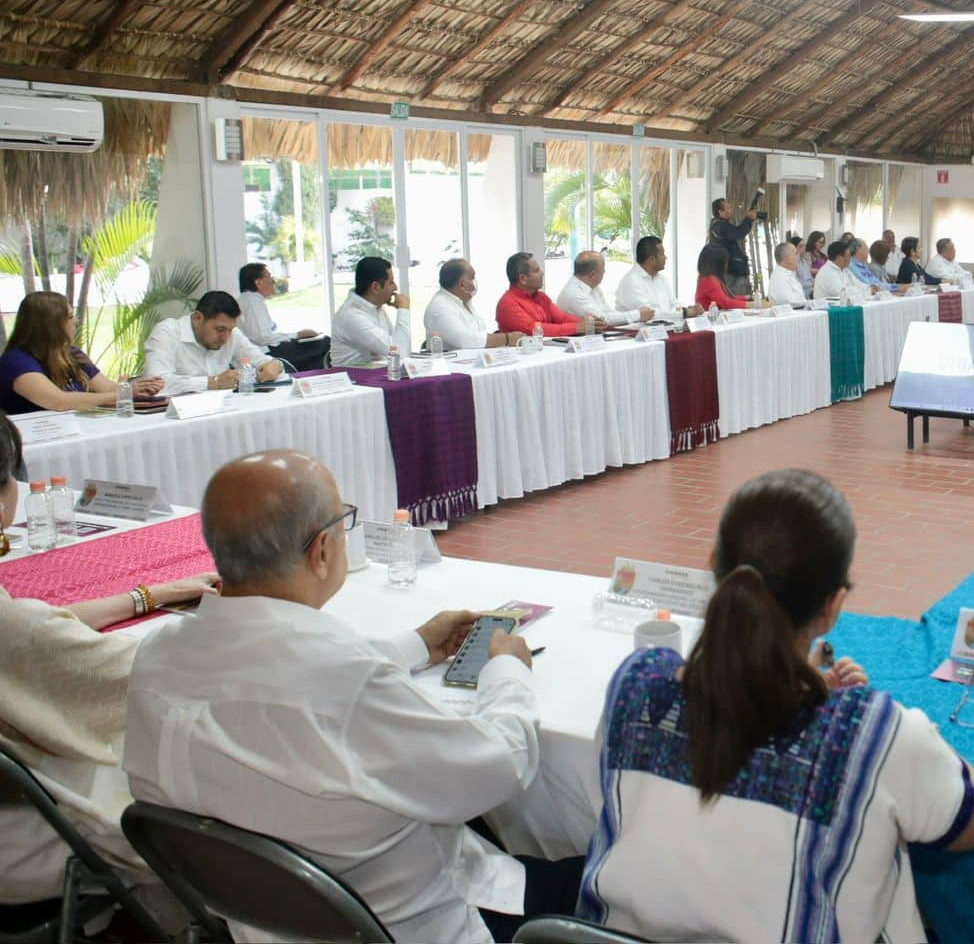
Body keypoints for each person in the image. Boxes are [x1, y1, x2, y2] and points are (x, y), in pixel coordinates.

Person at [122, 450, 580, 943]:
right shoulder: (345, 682)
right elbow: (498, 767)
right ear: (322, 550)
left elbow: (279, 669)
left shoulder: (157, 657)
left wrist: (414, 645)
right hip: (408, 923)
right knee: (606, 874)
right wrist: (508, 670)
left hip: (264, 920)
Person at [577, 470, 974, 941]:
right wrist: (882, 725)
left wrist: (802, 690)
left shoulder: (634, 688)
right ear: (833, 606)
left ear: (713, 564)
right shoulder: (873, 736)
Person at [0, 413, 217, 908]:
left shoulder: (19, 626)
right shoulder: (18, 634)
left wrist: (149, 595)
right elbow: (141, 672)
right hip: (38, 833)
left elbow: (36, 624)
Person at [1, 291, 160, 413]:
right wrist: (125, 393)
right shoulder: (16, 362)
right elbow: (59, 402)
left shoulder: (72, 354)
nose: (75, 321)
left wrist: (139, 388)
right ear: (51, 325)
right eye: (70, 317)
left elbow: (108, 389)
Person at [145, 291, 283, 394]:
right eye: (219, 329)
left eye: (229, 330)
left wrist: (276, 365)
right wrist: (213, 382)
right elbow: (155, 384)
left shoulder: (231, 334)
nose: (225, 337)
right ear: (197, 318)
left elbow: (263, 361)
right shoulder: (167, 332)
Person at [236, 264, 330, 372]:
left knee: (316, 348)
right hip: (266, 352)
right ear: (258, 283)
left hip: (270, 348)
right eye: (270, 277)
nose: (273, 281)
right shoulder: (252, 301)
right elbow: (262, 337)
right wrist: (297, 335)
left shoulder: (249, 299)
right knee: (324, 343)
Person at [423, 258, 521, 351]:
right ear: (462, 284)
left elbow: (478, 335)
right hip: (453, 366)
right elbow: (463, 339)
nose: (475, 281)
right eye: (473, 278)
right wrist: (506, 338)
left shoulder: (464, 302)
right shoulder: (440, 306)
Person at [330, 256, 412, 366]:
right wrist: (403, 309)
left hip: (377, 374)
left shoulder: (376, 306)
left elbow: (399, 348)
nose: (396, 288)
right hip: (353, 379)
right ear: (375, 287)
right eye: (391, 283)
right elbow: (399, 352)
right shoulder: (352, 316)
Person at [497, 253, 586, 337]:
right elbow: (533, 329)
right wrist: (577, 327)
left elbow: (562, 318)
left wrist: (588, 324)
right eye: (536, 270)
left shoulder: (541, 297)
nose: (542, 273)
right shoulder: (508, 303)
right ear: (523, 279)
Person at [558, 251, 653, 327]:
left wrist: (636, 315)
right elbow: (602, 320)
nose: (604, 272)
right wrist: (638, 315)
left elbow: (608, 312)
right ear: (593, 274)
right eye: (603, 270)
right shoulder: (575, 293)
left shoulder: (593, 286)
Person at [615, 237, 701, 321]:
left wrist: (689, 309)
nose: (665, 258)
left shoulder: (661, 279)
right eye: (662, 254)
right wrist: (684, 313)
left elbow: (673, 304)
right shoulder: (631, 281)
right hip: (637, 334)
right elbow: (650, 314)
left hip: (664, 330)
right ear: (652, 259)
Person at [709, 197, 758, 297]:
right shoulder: (720, 225)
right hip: (730, 273)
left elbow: (737, 232)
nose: (731, 210)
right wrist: (748, 219)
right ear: (720, 212)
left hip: (730, 270)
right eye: (728, 208)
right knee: (736, 301)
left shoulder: (719, 225)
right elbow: (738, 233)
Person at [695, 244, 750, 311]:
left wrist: (747, 298)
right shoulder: (708, 279)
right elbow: (725, 303)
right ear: (717, 263)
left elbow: (727, 297)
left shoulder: (711, 277)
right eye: (725, 262)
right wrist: (752, 304)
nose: (726, 265)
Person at [766, 242, 809, 307]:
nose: (798, 257)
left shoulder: (788, 274)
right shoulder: (779, 277)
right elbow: (790, 302)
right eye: (796, 254)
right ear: (788, 259)